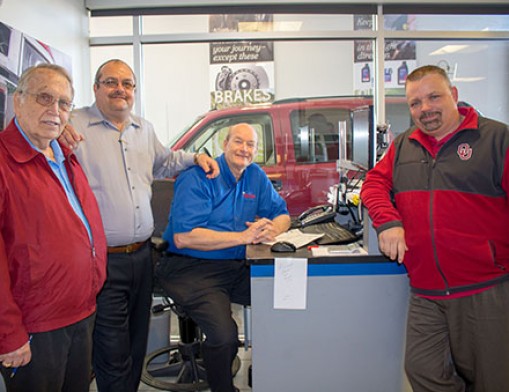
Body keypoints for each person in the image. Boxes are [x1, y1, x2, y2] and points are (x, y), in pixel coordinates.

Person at [63, 59, 219, 392]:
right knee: (112, 349)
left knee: (136, 343)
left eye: (127, 83)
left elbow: (166, 161)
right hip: (102, 260)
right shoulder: (72, 126)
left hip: (142, 257)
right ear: (95, 88)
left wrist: (197, 158)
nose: (120, 89)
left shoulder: (143, 129)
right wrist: (57, 127)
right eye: (110, 82)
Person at [360, 64, 509, 391]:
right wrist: (388, 222)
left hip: (485, 289)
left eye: (433, 97)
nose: (425, 109)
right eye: (415, 103)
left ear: (453, 96)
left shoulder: (496, 139)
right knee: (423, 371)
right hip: (426, 291)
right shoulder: (403, 146)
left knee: (494, 380)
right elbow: (373, 184)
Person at [156, 123, 291, 392]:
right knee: (224, 336)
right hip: (191, 268)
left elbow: (282, 212)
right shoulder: (197, 176)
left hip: (235, 265)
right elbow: (184, 237)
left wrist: (270, 229)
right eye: (238, 142)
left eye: (250, 145)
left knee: (286, 296)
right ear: (224, 144)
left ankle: (279, 373)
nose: (244, 149)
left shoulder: (255, 176)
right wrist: (245, 237)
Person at [0, 64, 107, 391]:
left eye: (64, 103)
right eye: (45, 98)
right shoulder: (5, 163)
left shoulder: (63, 155)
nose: (55, 110)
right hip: (36, 325)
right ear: (18, 102)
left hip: (81, 312)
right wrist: (8, 332)